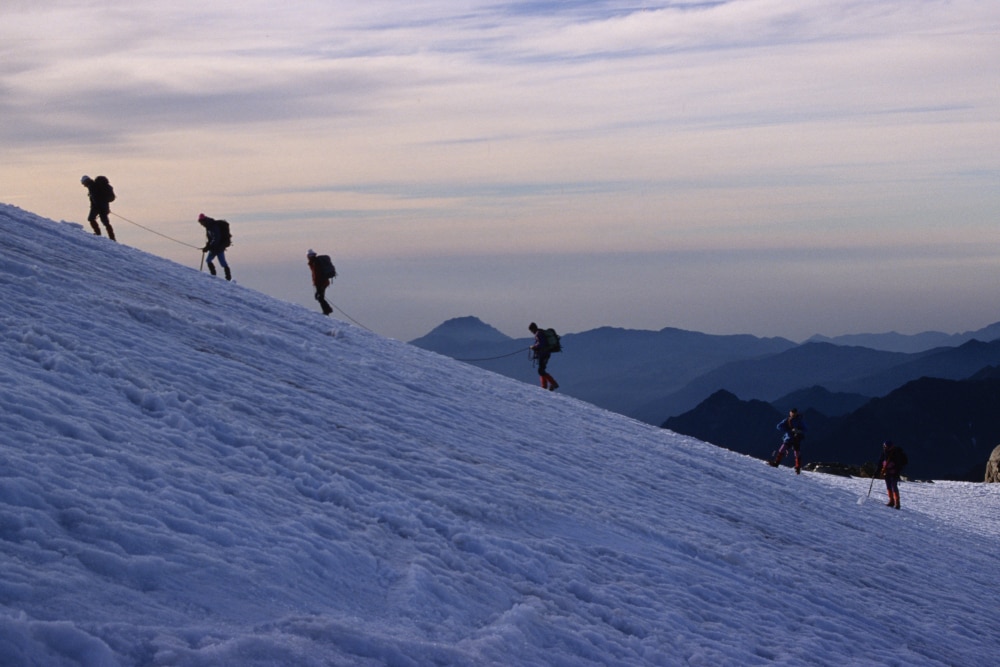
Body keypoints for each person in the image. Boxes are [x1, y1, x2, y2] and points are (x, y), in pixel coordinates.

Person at [769, 408, 806, 473]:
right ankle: (777, 463)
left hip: (793, 438)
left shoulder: (797, 421)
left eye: (793, 413)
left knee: (794, 452)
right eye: (792, 413)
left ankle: (797, 468)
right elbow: (778, 426)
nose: (792, 414)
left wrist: (797, 431)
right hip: (791, 438)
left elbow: (805, 429)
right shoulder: (789, 420)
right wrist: (789, 430)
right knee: (784, 449)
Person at [81, 175, 116, 240]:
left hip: (97, 207)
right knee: (106, 223)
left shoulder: (92, 186)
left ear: (86, 182)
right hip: (104, 206)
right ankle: (112, 238)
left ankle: (98, 233)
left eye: (83, 183)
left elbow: (95, 198)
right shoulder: (95, 185)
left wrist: (96, 206)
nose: (84, 185)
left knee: (91, 219)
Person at [198, 213, 232, 281]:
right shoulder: (209, 227)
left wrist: (208, 247)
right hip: (216, 247)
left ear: (203, 221)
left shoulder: (212, 226)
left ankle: (225, 277)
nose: (201, 224)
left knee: (222, 263)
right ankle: (217, 276)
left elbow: (216, 238)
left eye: (201, 223)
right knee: (213, 261)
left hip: (218, 248)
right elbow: (211, 239)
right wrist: (207, 246)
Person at [528, 322, 559, 391]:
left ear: (533, 329)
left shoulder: (538, 334)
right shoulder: (540, 332)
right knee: (541, 370)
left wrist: (534, 347)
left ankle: (553, 383)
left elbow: (542, 343)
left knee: (541, 371)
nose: (531, 332)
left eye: (531, 330)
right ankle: (544, 386)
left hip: (544, 354)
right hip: (545, 354)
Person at [878, 440, 906, 510]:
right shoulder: (884, 454)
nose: (884, 448)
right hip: (888, 473)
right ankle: (892, 501)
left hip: (893, 473)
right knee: (889, 486)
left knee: (893, 486)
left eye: (885, 446)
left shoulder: (895, 454)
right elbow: (880, 463)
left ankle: (896, 503)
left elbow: (898, 464)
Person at [307, 249, 334, 315]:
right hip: (323, 282)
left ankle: (327, 310)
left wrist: (317, 285)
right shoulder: (314, 262)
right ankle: (327, 310)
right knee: (320, 297)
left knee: (320, 297)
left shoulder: (315, 263)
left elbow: (317, 275)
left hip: (321, 283)